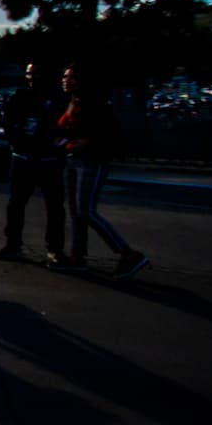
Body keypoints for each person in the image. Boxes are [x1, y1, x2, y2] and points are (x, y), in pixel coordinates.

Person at [59, 63, 150, 279]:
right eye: (64, 77)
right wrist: (64, 143)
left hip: (92, 161)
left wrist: (86, 143)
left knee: (86, 211)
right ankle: (77, 257)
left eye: (70, 77)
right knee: (75, 212)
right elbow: (62, 129)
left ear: (82, 81)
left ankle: (128, 254)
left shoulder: (95, 105)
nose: (66, 81)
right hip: (73, 161)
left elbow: (110, 135)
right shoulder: (73, 103)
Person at [0, 62, 76, 270]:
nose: (32, 78)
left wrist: (59, 146)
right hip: (23, 159)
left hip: (50, 162)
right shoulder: (20, 98)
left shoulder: (60, 100)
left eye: (36, 73)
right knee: (15, 205)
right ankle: (13, 244)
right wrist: (16, 141)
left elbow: (68, 128)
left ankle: (55, 250)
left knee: (54, 208)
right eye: (29, 74)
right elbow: (7, 125)